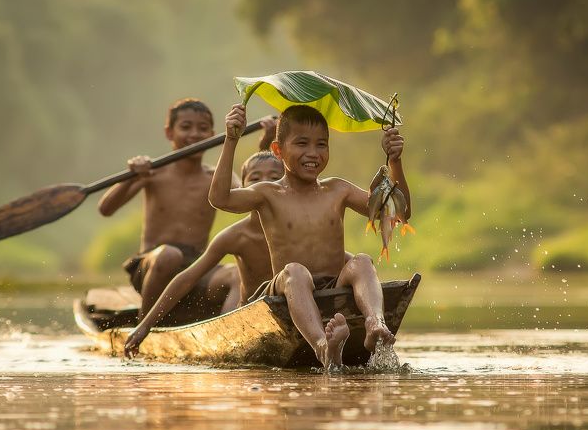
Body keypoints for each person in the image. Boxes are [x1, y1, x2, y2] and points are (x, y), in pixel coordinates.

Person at [209, 103, 410, 370]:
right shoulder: (268, 193)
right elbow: (220, 198)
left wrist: (394, 161)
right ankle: (322, 346)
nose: (313, 154)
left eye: (321, 145)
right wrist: (231, 139)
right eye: (302, 144)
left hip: (331, 283)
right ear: (278, 150)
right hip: (287, 285)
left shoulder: (338, 189)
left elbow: (399, 213)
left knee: (361, 260)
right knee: (296, 271)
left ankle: (375, 323)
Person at [97, 99, 278, 318]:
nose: (194, 134)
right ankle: (145, 325)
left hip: (197, 269)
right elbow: (106, 208)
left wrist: (265, 145)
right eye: (185, 127)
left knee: (235, 274)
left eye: (202, 129)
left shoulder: (216, 177)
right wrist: (132, 175)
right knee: (169, 255)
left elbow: (251, 197)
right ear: (169, 133)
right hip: (152, 265)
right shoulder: (153, 173)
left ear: (212, 134)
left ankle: (231, 333)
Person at [123, 150, 284, 356]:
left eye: (274, 178)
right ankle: (228, 336)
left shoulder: (298, 225)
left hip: (283, 305)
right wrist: (145, 326)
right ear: (243, 188)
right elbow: (187, 278)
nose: (264, 184)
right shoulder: (234, 236)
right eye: (255, 179)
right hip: (249, 315)